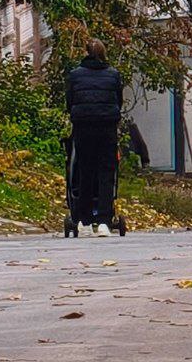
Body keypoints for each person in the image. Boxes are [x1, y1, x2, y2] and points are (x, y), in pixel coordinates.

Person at [65, 40, 123, 237]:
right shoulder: (113, 75)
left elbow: (70, 101)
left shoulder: (75, 75)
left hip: (83, 128)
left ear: (86, 53)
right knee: (106, 173)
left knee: (85, 173)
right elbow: (118, 101)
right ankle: (105, 222)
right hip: (107, 128)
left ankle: (85, 220)